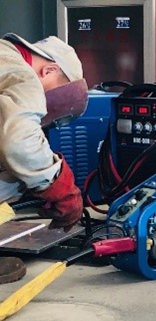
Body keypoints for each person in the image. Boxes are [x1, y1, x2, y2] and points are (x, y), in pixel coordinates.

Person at [0, 33, 88, 284]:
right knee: (16, 174)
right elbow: (19, 143)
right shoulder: (23, 75)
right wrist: (58, 185)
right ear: (49, 70)